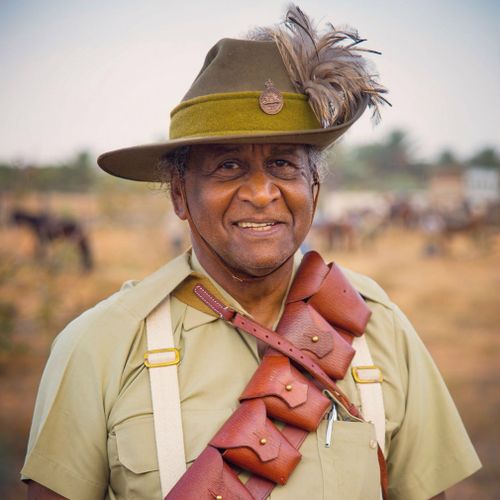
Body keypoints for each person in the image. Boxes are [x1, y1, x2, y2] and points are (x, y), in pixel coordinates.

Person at [22, 5, 480, 500]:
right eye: (228, 166)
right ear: (179, 194)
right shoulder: (102, 344)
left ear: (315, 188)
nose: (262, 193)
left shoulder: (376, 325)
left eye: (284, 163)